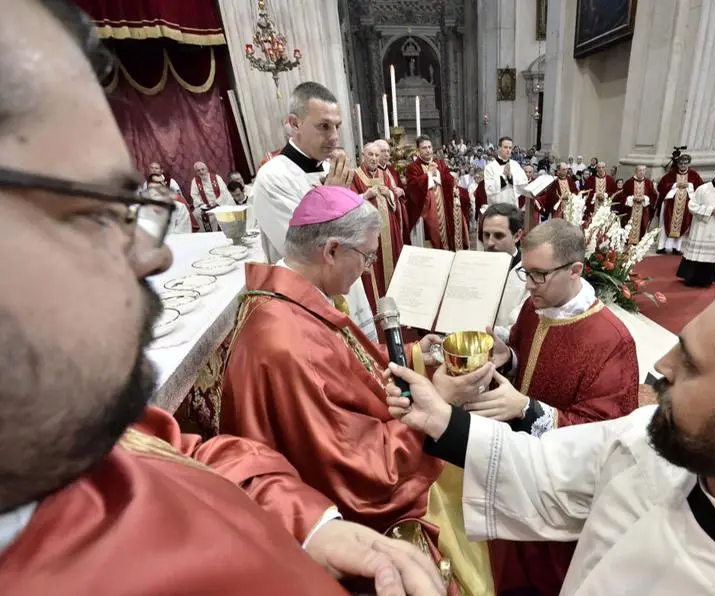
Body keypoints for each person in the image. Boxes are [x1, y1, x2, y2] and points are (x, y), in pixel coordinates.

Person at [0, 2, 445, 594]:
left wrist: (312, 523)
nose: (154, 255)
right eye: (96, 212)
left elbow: (176, 449)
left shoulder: (60, 426)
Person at [387, 262, 715, 596]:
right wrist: (440, 418)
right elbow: (546, 469)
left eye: (693, 364)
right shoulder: (664, 439)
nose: (660, 367)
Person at [218, 186, 488, 586]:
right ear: (330, 251)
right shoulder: (289, 341)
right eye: (366, 256)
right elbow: (356, 472)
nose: (366, 269)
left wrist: (414, 356)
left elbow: (348, 364)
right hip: (338, 512)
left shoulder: (291, 300)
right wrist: (441, 403)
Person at [473, 218, 639, 596]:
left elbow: (605, 431)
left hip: (562, 489)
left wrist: (526, 409)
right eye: (525, 273)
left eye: (539, 275)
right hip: (521, 466)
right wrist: (510, 358)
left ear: (575, 270)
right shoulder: (536, 307)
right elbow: (530, 363)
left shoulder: (610, 340)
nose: (529, 286)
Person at [252, 82, 376, 342]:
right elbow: (303, 252)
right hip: (306, 305)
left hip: (345, 286)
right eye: (324, 126)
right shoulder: (273, 177)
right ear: (294, 124)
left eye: (337, 126)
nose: (334, 137)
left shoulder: (330, 169)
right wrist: (331, 200)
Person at [351, 142, 404, 312]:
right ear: (363, 156)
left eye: (376, 155)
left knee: (392, 266)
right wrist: (365, 195)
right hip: (368, 233)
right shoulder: (355, 176)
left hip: (389, 230)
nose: (374, 158)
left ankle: (394, 303)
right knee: (374, 271)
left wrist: (389, 193)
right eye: (370, 155)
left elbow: (394, 201)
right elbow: (348, 203)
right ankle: (375, 307)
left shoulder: (385, 175)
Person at [405, 136, 468, 251]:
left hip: (444, 205)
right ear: (418, 150)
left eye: (429, 147)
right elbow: (412, 187)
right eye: (424, 148)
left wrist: (437, 174)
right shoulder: (413, 167)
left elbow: (449, 179)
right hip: (426, 211)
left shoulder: (440, 163)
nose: (428, 150)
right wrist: (428, 175)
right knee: (433, 235)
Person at [481, 204, 527, 341]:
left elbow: (517, 329)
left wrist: (476, 327)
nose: (489, 243)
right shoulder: (473, 266)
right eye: (486, 235)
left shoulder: (528, 275)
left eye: (498, 236)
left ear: (517, 235)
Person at [656, 154, 704, 254]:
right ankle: (661, 246)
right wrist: (675, 185)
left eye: (685, 163)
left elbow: (700, 189)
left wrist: (689, 186)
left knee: (682, 224)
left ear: (689, 164)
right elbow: (661, 186)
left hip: (685, 206)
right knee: (665, 224)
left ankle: (676, 248)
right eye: (681, 163)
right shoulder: (671, 174)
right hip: (670, 205)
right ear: (678, 164)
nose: (683, 165)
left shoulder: (694, 175)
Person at [615, 165, 657, 243]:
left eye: (643, 170)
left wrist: (645, 198)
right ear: (635, 171)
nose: (641, 172)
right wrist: (631, 198)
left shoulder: (648, 182)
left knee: (643, 224)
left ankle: (640, 242)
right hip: (631, 210)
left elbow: (653, 196)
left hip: (643, 210)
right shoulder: (629, 182)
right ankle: (627, 240)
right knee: (628, 224)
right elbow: (623, 196)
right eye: (639, 170)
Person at [484, 136, 528, 207]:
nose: (508, 150)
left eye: (510, 148)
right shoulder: (489, 167)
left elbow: (523, 184)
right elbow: (489, 189)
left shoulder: (515, 165)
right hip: (497, 208)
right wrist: (503, 176)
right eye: (505, 147)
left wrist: (511, 177)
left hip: (512, 207)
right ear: (499, 148)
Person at [189, 161, 232, 232]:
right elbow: (194, 195)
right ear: (196, 173)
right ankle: (205, 235)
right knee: (195, 214)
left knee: (219, 212)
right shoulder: (195, 181)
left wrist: (216, 202)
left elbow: (224, 192)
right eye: (198, 171)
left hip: (218, 203)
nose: (201, 172)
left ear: (207, 169)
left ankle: (221, 231)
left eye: (203, 169)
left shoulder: (216, 178)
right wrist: (201, 204)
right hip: (204, 206)